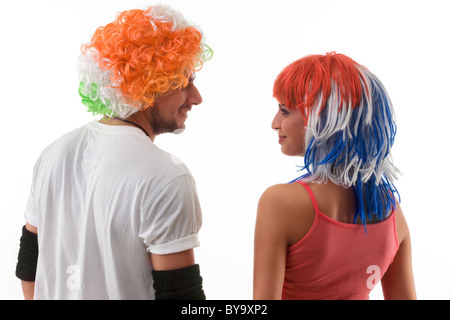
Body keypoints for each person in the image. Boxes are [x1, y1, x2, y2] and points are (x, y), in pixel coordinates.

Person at [15, 4, 212, 300]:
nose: (197, 98)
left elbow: (29, 267)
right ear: (150, 83)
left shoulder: (53, 154)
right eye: (185, 83)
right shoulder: (168, 176)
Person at [253, 52, 416, 300]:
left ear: (322, 119)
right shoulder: (391, 210)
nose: (275, 123)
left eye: (285, 111)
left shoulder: (280, 202)